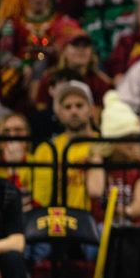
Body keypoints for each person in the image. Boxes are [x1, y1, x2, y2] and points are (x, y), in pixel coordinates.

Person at [30, 79, 96, 212]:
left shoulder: (104, 145)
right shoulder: (46, 149)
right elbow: (40, 197)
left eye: (79, 105)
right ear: (58, 113)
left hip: (94, 225)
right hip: (56, 224)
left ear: (91, 110)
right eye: (67, 107)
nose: (73, 111)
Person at [85, 91, 140, 224]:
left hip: (130, 227)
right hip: (99, 228)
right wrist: (97, 157)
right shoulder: (98, 158)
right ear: (112, 140)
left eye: (135, 137)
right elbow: (95, 191)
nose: (133, 144)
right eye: (126, 138)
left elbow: (137, 208)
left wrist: (116, 210)